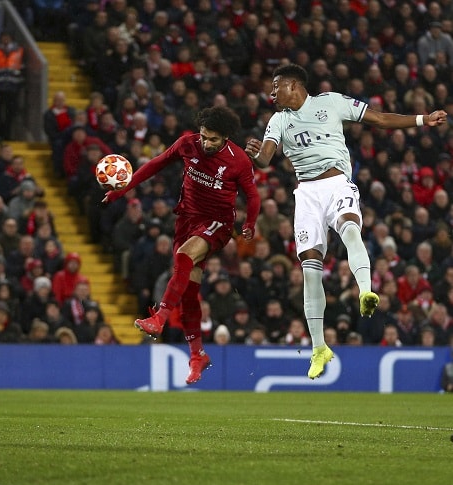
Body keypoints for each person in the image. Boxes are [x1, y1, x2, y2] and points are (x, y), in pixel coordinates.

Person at [244, 63, 449, 380]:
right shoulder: (278, 120)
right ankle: (318, 347)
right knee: (310, 268)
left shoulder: (331, 102)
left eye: (276, 86)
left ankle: (366, 291)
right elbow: (266, 159)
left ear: (295, 85)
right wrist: (255, 155)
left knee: (351, 227)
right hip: (307, 193)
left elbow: (379, 118)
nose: (271, 93)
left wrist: (423, 119)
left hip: (337, 182)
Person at [103, 106, 260, 385]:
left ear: (225, 138)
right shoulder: (188, 144)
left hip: (218, 223)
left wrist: (249, 223)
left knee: (184, 255)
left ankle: (159, 317)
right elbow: (155, 164)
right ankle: (197, 354)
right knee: (189, 290)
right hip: (186, 219)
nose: (206, 143)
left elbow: (252, 195)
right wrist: (122, 190)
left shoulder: (238, 160)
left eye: (213, 139)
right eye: (204, 137)